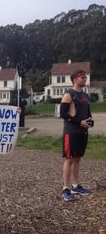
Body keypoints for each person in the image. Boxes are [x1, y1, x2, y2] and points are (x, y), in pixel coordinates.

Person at [60, 69, 93, 202]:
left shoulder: (85, 96)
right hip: (71, 132)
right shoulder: (69, 94)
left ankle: (75, 185)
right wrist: (79, 122)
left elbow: (88, 112)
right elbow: (62, 114)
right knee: (69, 159)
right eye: (82, 77)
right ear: (75, 79)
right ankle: (65, 188)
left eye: (86, 77)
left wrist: (91, 121)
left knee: (78, 159)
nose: (85, 79)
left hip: (83, 132)